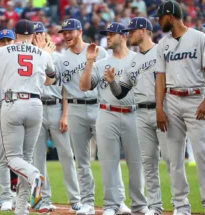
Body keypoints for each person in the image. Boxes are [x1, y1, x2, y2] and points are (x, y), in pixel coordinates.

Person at [0, 19, 56, 214]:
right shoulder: (43, 54)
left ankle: (35, 175)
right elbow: (52, 78)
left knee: (12, 160)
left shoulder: (2, 51)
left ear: (15, 35)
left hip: (12, 103)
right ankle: (21, 208)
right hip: (36, 104)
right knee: (26, 158)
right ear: (33, 36)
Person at [56, 18, 130, 215]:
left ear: (79, 31)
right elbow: (62, 88)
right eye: (64, 32)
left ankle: (118, 200)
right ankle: (87, 202)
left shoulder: (99, 50)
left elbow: (110, 78)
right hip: (75, 108)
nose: (66, 35)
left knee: (110, 157)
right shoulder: (62, 58)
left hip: (98, 106)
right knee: (81, 159)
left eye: (70, 31)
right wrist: (64, 114)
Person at [103, 17, 170, 215]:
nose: (129, 34)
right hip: (140, 112)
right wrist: (112, 81)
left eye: (132, 31)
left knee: (171, 160)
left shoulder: (161, 51)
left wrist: (162, 108)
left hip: (164, 110)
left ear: (143, 31)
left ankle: (181, 205)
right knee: (148, 164)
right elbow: (121, 92)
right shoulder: (134, 60)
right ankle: (155, 207)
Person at [79, 22, 148, 215]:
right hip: (106, 112)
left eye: (112, 34)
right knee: (108, 162)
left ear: (123, 36)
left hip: (133, 112)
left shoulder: (137, 59)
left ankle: (140, 205)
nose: (107, 37)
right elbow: (84, 87)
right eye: (106, 34)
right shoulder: (101, 64)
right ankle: (111, 205)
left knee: (136, 162)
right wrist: (90, 62)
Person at [154, 1, 205, 214]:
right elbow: (160, 79)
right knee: (173, 158)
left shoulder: (199, 38)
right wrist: (159, 108)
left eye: (161, 17)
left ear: (171, 16)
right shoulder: (162, 44)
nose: (158, 22)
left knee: (202, 154)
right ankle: (181, 205)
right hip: (172, 100)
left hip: (196, 98)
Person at [32, 21, 81, 214]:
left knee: (67, 155)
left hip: (55, 107)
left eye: (40, 34)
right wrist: (44, 57)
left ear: (46, 36)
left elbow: (65, 91)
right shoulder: (28, 58)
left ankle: (75, 199)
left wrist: (65, 115)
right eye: (35, 35)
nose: (38, 38)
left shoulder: (59, 58)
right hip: (36, 107)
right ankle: (42, 199)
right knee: (37, 158)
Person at [0, 29, 19, 211]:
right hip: (2, 108)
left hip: (20, 108)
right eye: (2, 41)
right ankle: (6, 197)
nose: (5, 44)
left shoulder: (22, 61)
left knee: (23, 156)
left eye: (8, 41)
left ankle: (19, 194)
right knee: (3, 156)